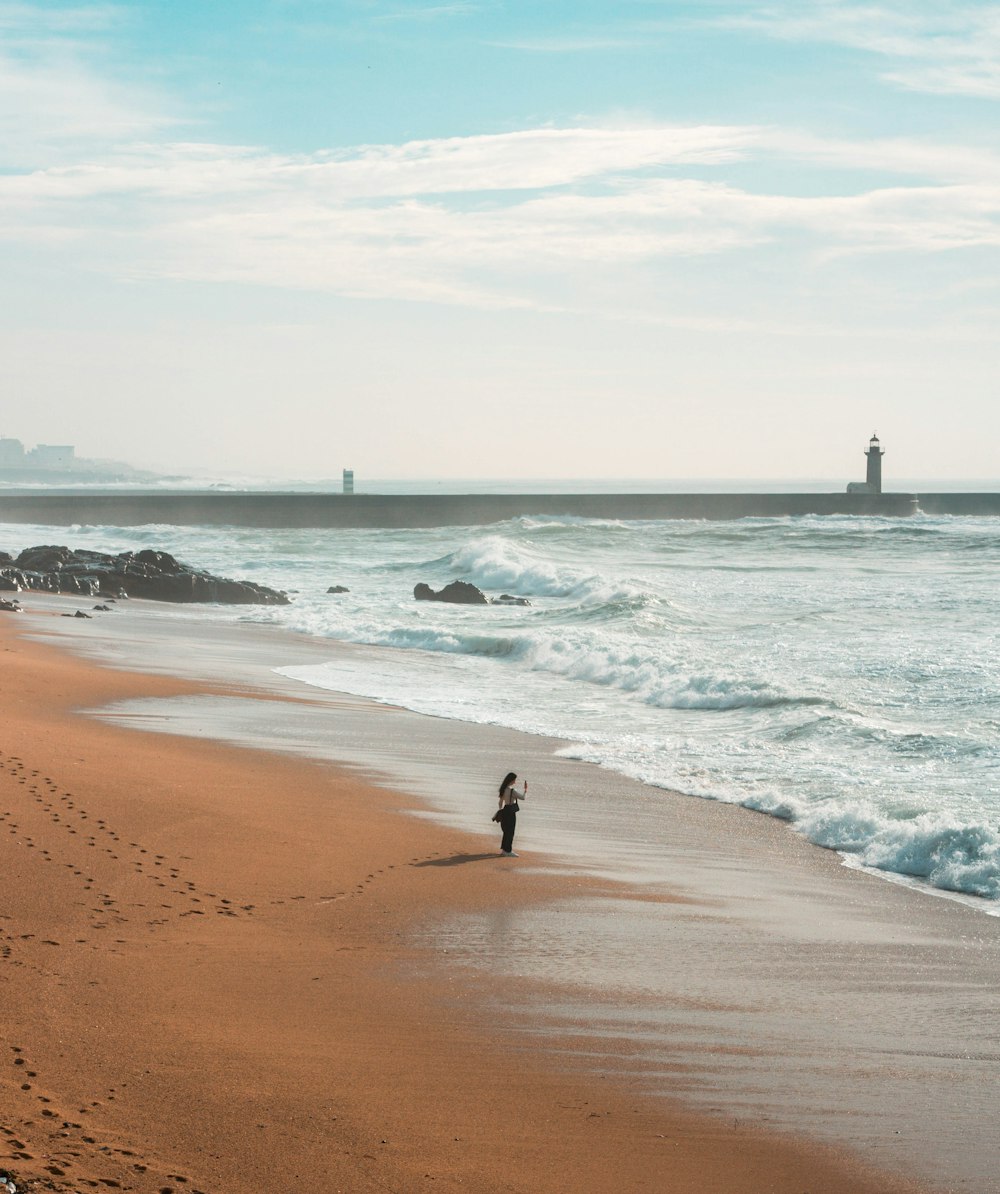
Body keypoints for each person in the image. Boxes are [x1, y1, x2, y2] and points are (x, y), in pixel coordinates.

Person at [496, 770, 527, 856]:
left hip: (505, 810)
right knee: (511, 831)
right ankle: (508, 851)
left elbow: (500, 803)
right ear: (511, 780)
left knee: (506, 831)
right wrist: (525, 790)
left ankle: (504, 850)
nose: (515, 781)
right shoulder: (512, 791)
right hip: (511, 811)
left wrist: (500, 811)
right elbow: (523, 797)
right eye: (514, 780)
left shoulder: (503, 789)